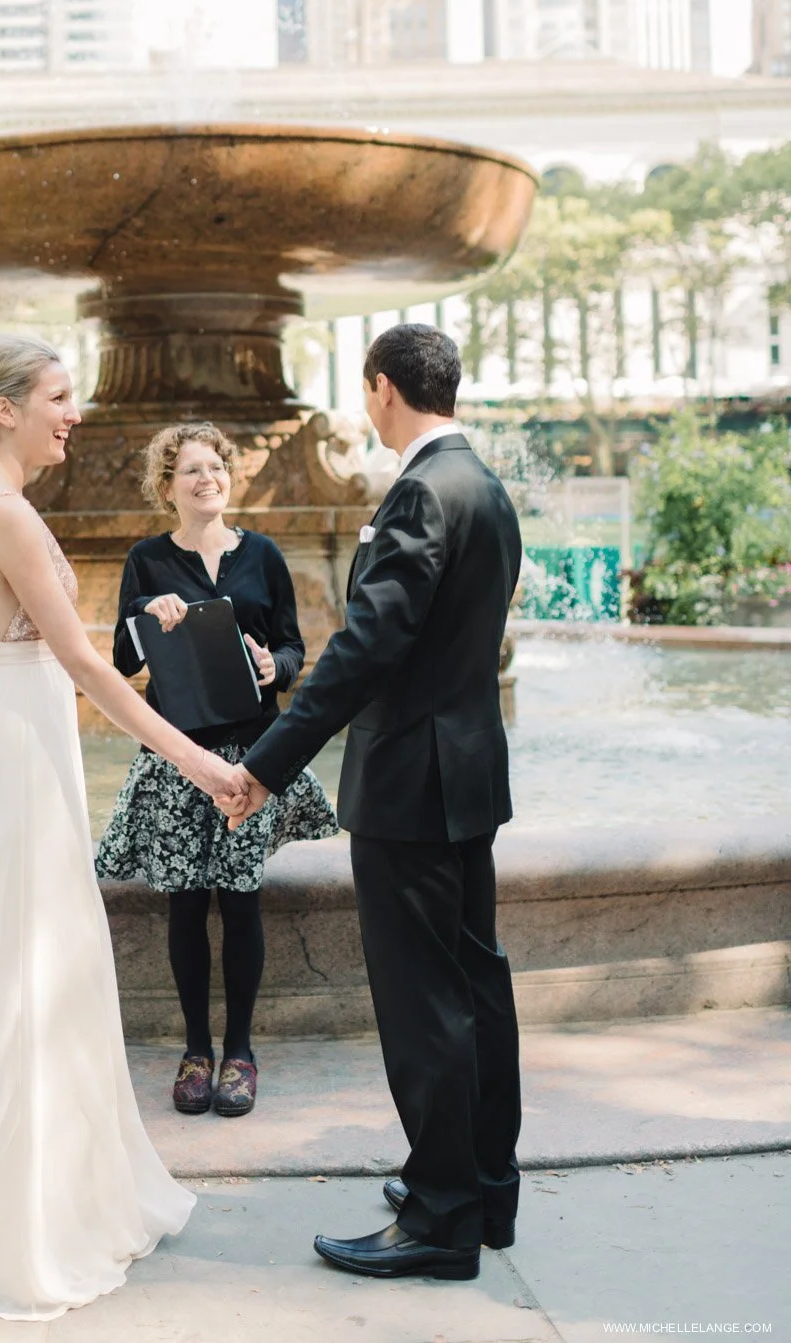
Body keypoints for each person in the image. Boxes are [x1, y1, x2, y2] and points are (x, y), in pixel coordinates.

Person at [0, 335, 249, 1321]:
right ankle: (21, 1223)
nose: (75, 413)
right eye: (59, 396)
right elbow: (87, 668)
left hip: (3, 740)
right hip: (21, 756)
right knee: (25, 969)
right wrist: (198, 761)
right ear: (5, 410)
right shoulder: (11, 514)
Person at [220, 323, 523, 1284]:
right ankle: (481, 1186)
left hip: (408, 788)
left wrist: (266, 763)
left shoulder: (420, 493)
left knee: (423, 1001)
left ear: (383, 389)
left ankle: (440, 1219)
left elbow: (363, 649)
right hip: (468, 774)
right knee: (475, 982)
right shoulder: (485, 484)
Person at [96, 423, 337, 1119]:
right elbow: (120, 660)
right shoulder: (146, 561)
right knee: (184, 900)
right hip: (177, 754)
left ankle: (240, 1051)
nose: (207, 478)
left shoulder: (262, 555)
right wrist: (146, 614)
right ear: (166, 487)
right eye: (191, 470)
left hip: (250, 754)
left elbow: (294, 647)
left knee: (239, 897)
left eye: (216, 467)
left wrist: (276, 665)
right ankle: (196, 1049)